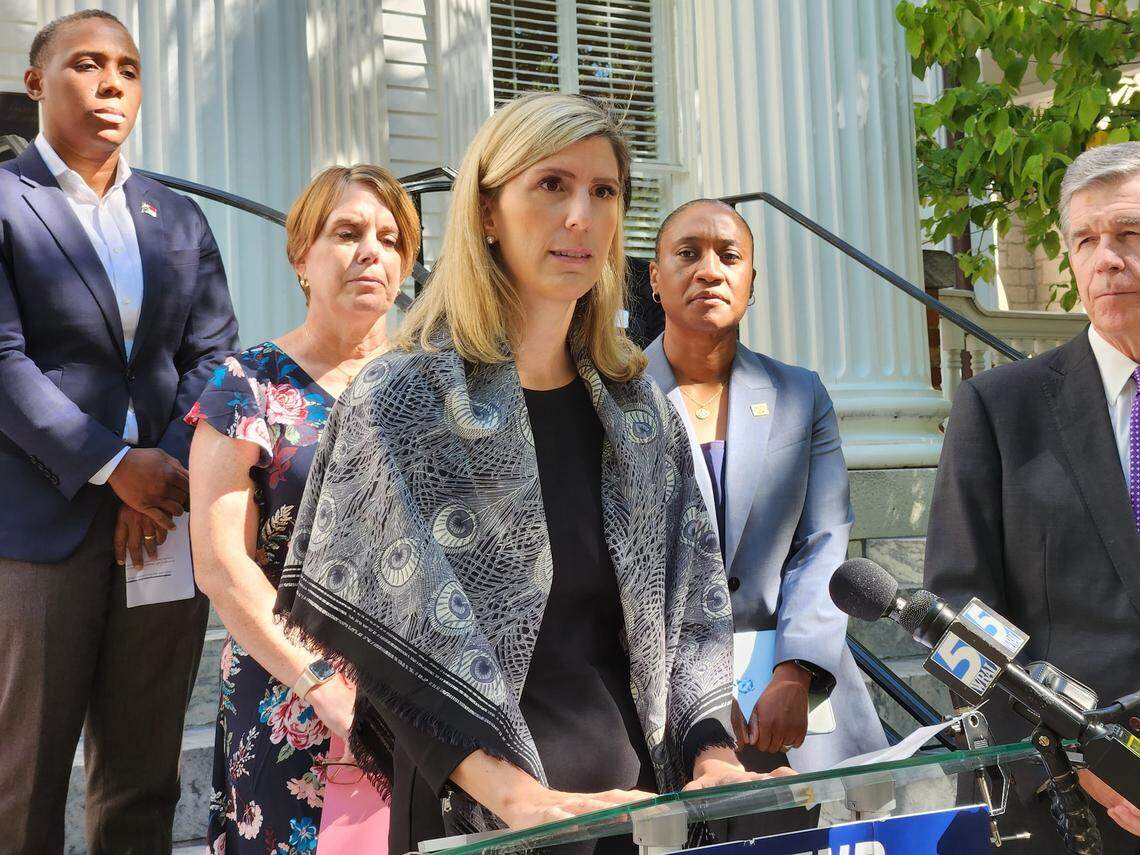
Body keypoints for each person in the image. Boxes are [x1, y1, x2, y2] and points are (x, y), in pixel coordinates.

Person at [274, 93, 788, 854]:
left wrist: (713, 755)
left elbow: (696, 608)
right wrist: (515, 795)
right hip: (480, 811)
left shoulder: (637, 408)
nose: (580, 214)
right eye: (551, 184)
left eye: (603, 191)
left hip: (635, 803)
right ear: (486, 210)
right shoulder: (402, 398)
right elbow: (387, 644)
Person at [0, 11, 239, 853]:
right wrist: (112, 466)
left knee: (143, 775)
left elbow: (214, 355)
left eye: (128, 69)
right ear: (36, 82)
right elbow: (3, 362)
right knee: (22, 779)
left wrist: (163, 471)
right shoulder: (5, 202)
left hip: (163, 524)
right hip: (40, 529)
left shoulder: (173, 216)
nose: (111, 84)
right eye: (87, 65)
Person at [187, 164, 421, 855]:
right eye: (346, 232)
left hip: (419, 694)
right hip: (288, 690)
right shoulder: (247, 384)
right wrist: (319, 682)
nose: (370, 251)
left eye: (389, 237)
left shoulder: (433, 381)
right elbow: (222, 564)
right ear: (301, 258)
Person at [925, 141, 1140, 853]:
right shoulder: (1000, 407)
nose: (1106, 257)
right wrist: (1069, 763)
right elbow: (959, 621)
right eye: (1086, 239)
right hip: (1062, 806)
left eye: (1129, 235)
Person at [645, 200, 886, 793]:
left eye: (730, 256)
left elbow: (823, 538)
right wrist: (695, 690)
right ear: (654, 278)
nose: (709, 270)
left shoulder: (799, 395)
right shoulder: (612, 393)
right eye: (687, 254)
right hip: (658, 694)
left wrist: (795, 670)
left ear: (752, 281)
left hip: (792, 701)